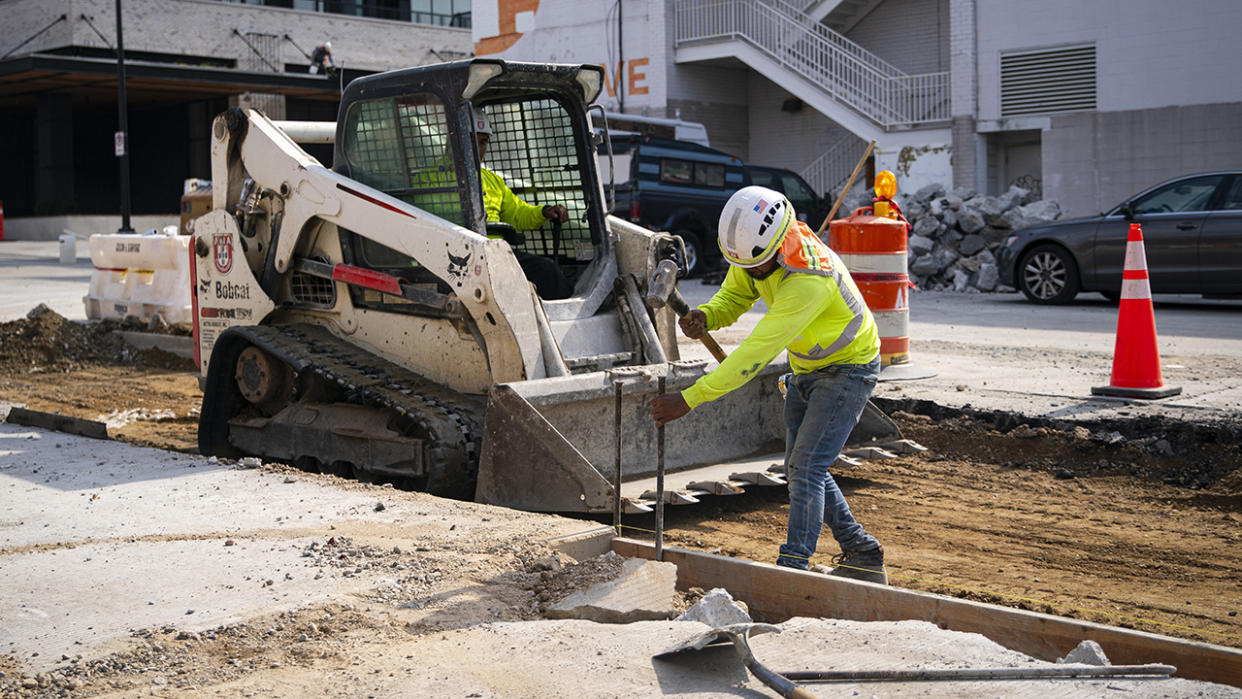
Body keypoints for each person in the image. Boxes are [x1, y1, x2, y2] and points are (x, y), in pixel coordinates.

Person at [649, 185, 887, 584]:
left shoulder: (810, 280)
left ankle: (793, 571)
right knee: (803, 469)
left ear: (778, 248)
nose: (752, 273)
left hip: (849, 370)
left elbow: (754, 353)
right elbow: (735, 295)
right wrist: (708, 316)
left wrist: (691, 398)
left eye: (758, 267)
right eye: (744, 266)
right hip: (808, 367)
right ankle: (863, 552)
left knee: (806, 467)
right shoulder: (752, 255)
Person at [473, 112, 573, 300]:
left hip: (496, 253)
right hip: (457, 255)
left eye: (482, 142)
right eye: (470, 141)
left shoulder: (492, 180)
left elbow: (517, 213)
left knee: (547, 270)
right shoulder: (430, 179)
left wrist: (544, 211)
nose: (478, 149)